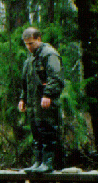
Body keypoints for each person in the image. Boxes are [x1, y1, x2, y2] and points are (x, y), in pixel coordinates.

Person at [17, 27, 65, 173]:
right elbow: (25, 82)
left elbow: (55, 77)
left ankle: (48, 163)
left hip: (46, 102)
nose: (28, 47)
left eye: (31, 43)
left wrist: (48, 95)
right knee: (36, 132)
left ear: (38, 39)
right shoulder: (30, 59)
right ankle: (38, 162)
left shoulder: (49, 54)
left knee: (48, 131)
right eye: (26, 44)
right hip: (33, 103)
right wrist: (22, 99)